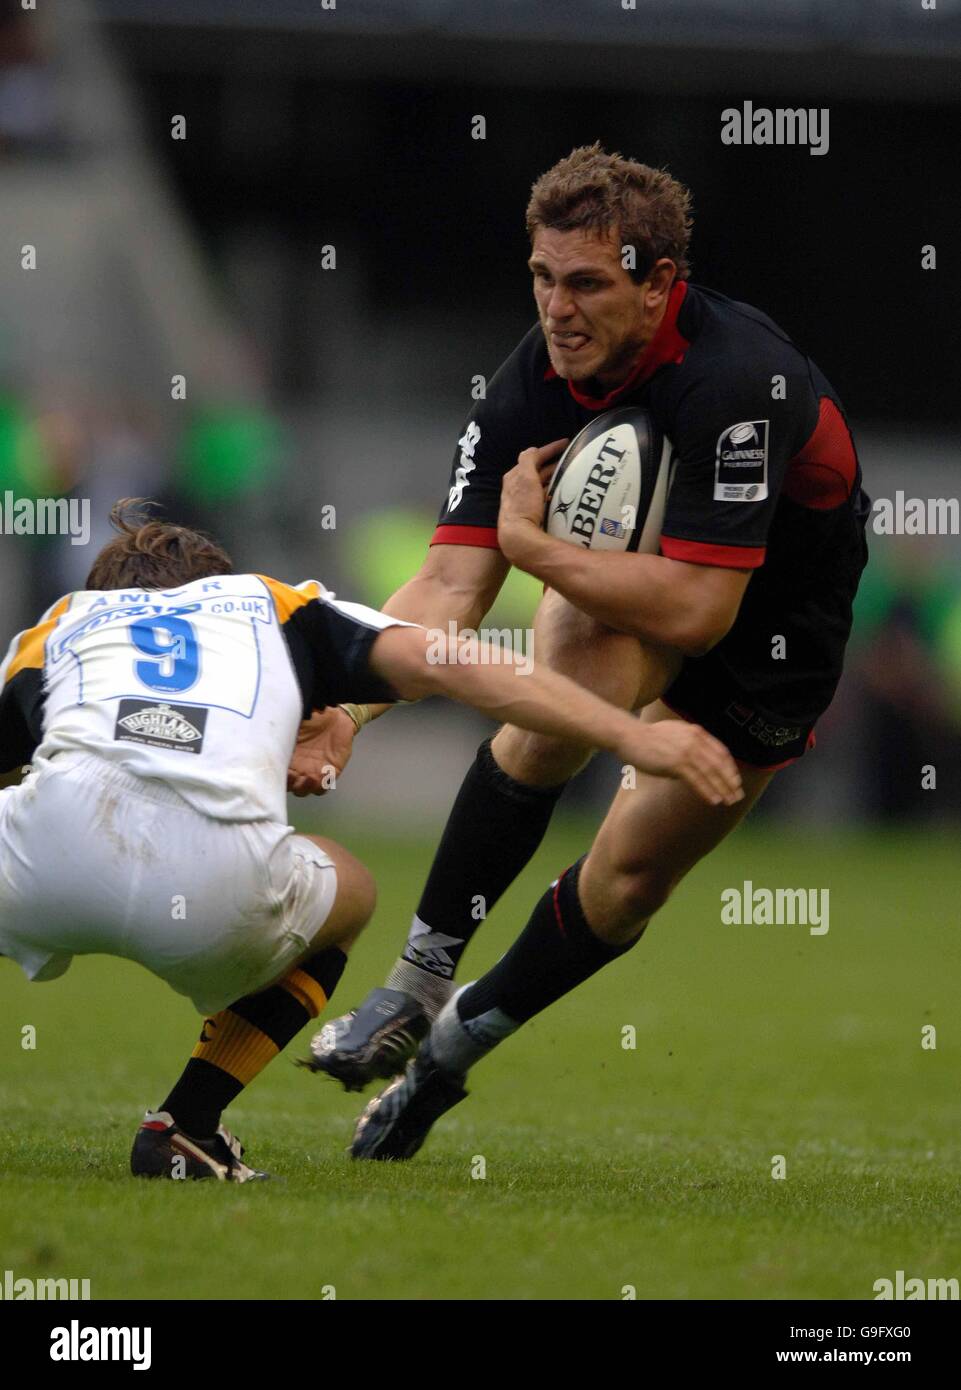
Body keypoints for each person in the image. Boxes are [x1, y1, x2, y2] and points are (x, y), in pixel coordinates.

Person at [295, 144, 870, 1158]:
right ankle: (414, 983)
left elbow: (698, 611)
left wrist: (533, 547)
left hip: (775, 636)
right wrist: (350, 704)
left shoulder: (739, 381)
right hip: (632, 608)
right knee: (557, 697)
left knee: (629, 878)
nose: (557, 309)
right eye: (542, 277)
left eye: (588, 284)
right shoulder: (531, 378)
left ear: (658, 286)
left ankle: (446, 1053)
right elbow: (446, 591)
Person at [0, 500, 740, 1181]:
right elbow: (447, 663)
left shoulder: (65, 620)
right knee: (349, 888)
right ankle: (185, 1127)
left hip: (44, 861)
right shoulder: (270, 602)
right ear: (209, 581)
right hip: (212, 893)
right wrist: (621, 733)